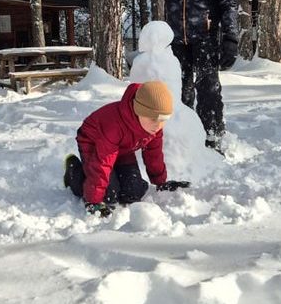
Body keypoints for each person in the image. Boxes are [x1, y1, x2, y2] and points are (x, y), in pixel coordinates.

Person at [133, 0, 239, 154]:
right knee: (179, 92)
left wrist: (231, 38)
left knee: (208, 90)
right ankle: (182, 140)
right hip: (176, 42)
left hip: (205, 38)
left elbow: (229, 4)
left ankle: (212, 139)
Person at [62, 80, 190, 217]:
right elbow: (102, 163)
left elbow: (154, 154)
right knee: (109, 195)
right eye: (153, 118)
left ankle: (114, 176)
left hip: (122, 148)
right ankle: (74, 171)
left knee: (133, 193)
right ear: (139, 110)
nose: (158, 125)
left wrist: (161, 182)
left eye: (164, 119)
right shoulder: (114, 126)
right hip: (93, 142)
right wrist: (93, 201)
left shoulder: (154, 127)